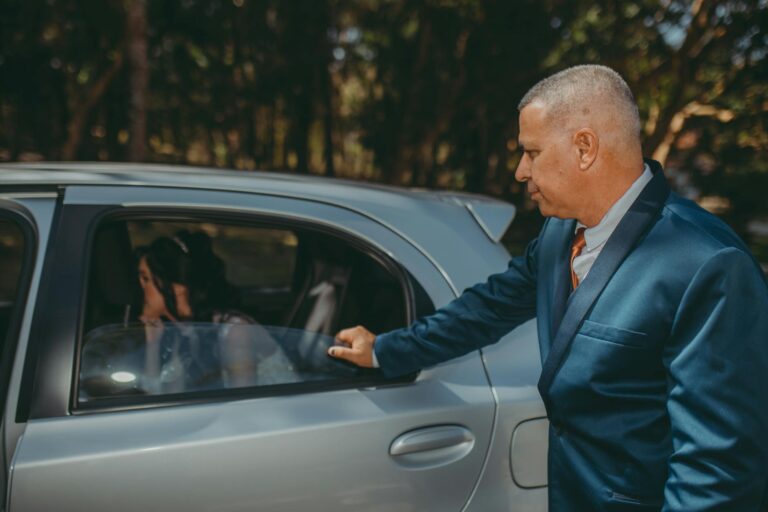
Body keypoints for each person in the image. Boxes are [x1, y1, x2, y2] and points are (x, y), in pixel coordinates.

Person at [328, 65, 768, 510]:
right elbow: (487, 309)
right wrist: (386, 349)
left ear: (584, 147)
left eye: (532, 152)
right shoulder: (559, 235)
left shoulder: (707, 264)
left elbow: (719, 467)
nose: (521, 171)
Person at [136, 230, 294, 391]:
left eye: (146, 279)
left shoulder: (235, 331)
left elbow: (242, 406)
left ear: (178, 288)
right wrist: (153, 344)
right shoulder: (181, 331)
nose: (140, 287)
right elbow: (161, 399)